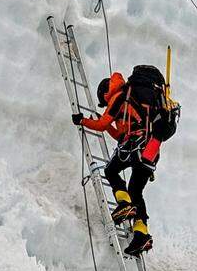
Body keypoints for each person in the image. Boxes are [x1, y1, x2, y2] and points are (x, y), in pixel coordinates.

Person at [73, 66, 176, 258]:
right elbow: (119, 133)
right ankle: (141, 234)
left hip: (136, 143)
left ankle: (124, 204)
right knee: (136, 189)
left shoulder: (118, 96)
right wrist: (108, 125)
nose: (105, 105)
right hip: (151, 148)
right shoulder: (134, 99)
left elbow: (103, 124)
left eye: (104, 101)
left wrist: (83, 121)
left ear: (106, 92)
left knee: (111, 171)